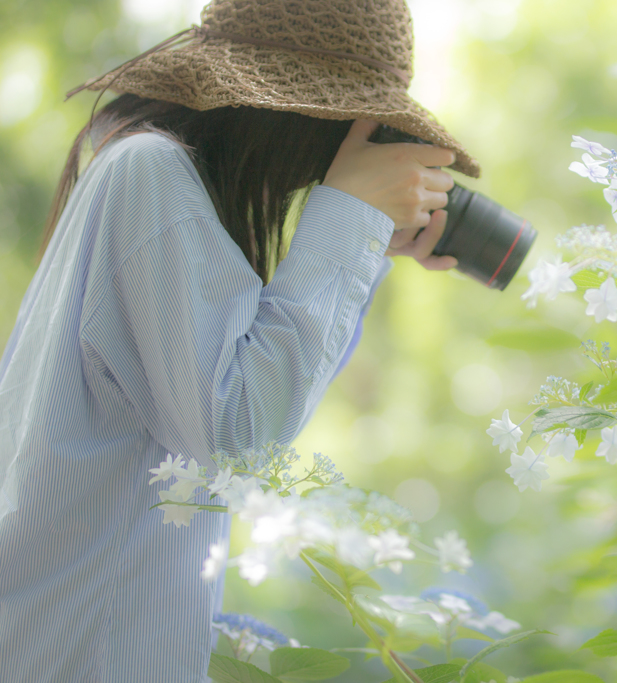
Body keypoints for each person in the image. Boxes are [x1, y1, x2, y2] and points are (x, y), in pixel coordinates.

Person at [0, 0, 479, 680]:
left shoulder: (140, 172)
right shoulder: (150, 172)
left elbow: (264, 393)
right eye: (357, 129)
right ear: (293, 112)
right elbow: (240, 433)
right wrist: (346, 218)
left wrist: (363, 247)